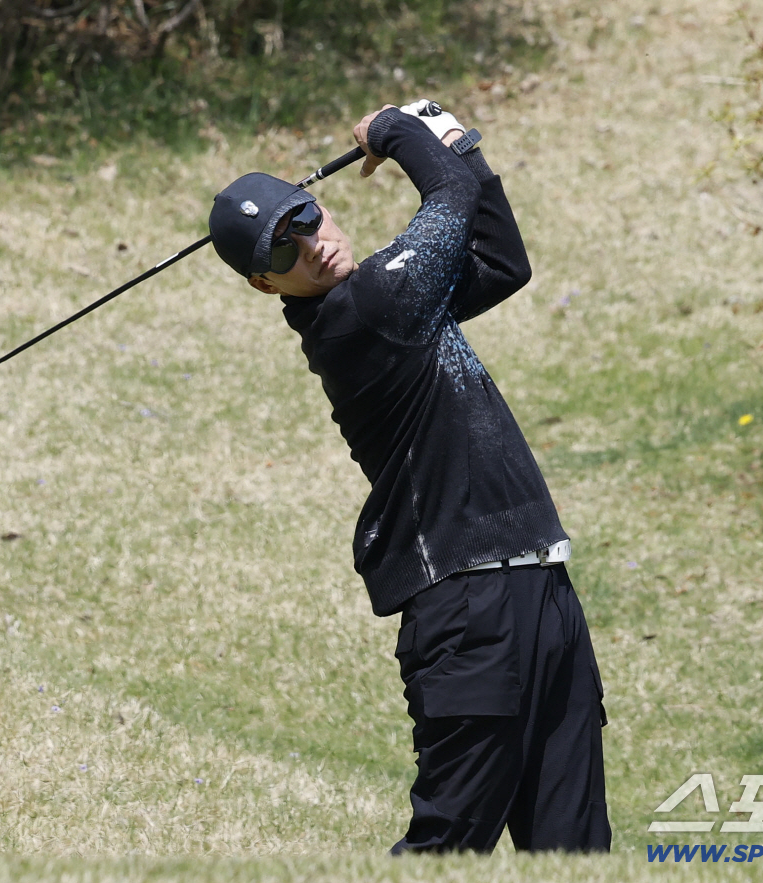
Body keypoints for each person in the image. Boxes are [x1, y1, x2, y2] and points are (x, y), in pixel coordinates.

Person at [207, 100, 611, 854]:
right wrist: (396, 129)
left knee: (576, 849)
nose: (313, 245)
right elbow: (450, 202)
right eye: (284, 248)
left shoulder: (402, 305)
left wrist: (463, 147)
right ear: (266, 285)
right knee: (447, 846)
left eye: (306, 218)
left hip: (542, 588)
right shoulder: (361, 315)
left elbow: (502, 263)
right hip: (467, 612)